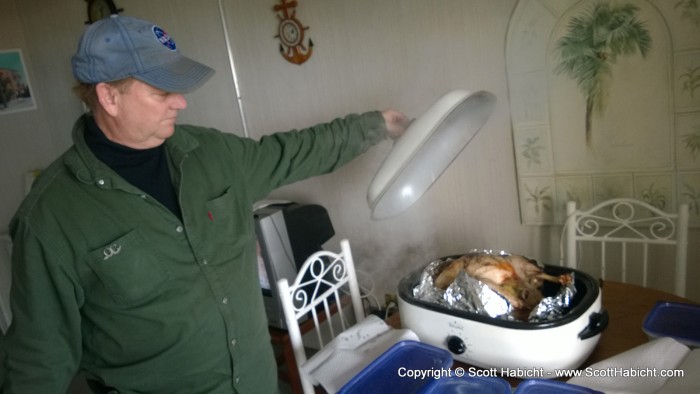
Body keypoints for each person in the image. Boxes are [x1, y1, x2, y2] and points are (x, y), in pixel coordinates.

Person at [0, 15, 408, 394]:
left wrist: (377, 126)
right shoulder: (51, 218)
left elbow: (296, 151)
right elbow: (39, 360)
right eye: (162, 92)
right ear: (109, 96)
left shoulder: (210, 153)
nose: (181, 102)